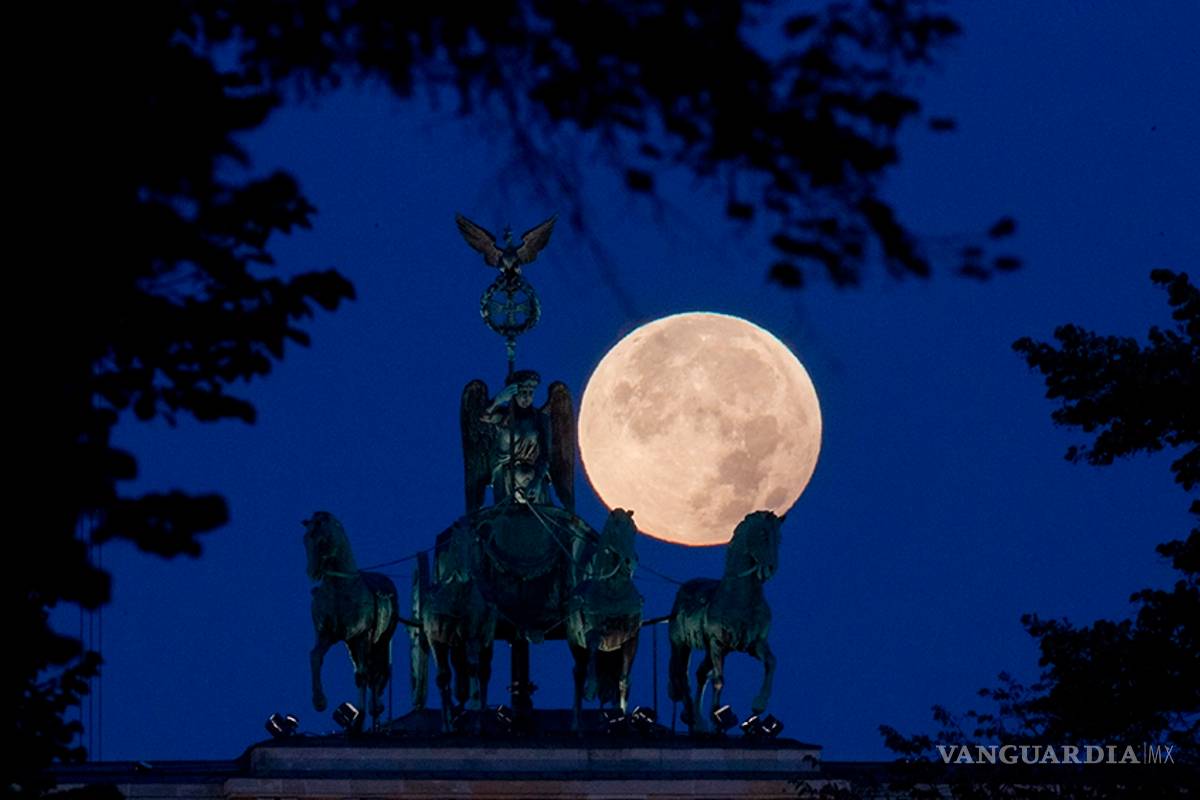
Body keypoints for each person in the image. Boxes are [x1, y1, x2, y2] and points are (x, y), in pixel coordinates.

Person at [481, 370, 551, 505]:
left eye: (530, 393)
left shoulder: (540, 419)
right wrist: (498, 399)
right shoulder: (503, 416)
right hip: (506, 477)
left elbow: (545, 455)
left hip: (534, 478)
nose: (526, 398)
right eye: (522, 392)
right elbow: (483, 416)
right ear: (513, 394)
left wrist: (536, 481)